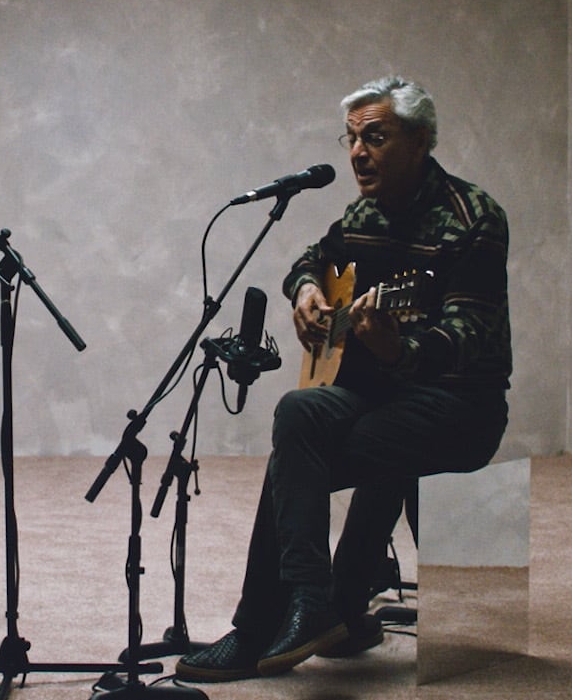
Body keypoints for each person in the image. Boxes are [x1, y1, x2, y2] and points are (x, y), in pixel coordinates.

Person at [175, 76, 512, 682]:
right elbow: (313, 258)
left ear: (419, 141)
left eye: (375, 137)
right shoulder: (364, 212)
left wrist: (398, 349)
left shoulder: (474, 217)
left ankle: (265, 628)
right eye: (351, 138)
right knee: (297, 413)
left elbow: (469, 333)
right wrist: (305, 288)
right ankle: (320, 605)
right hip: (383, 394)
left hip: (459, 405)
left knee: (303, 453)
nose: (357, 153)